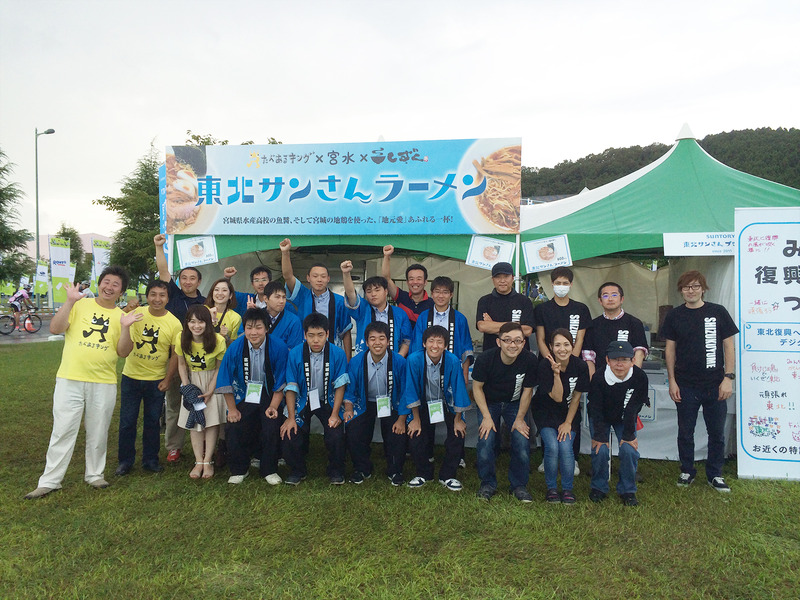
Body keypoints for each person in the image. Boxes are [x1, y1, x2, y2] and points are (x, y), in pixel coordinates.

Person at [25, 267, 132, 499]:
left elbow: (123, 352)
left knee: (98, 430)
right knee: (63, 429)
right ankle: (50, 480)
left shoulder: (121, 316)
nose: (109, 287)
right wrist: (70, 302)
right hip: (70, 378)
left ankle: (94, 474)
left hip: (103, 382)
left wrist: (126, 328)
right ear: (99, 283)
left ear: (121, 291)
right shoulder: (80, 305)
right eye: (106, 281)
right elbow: (55, 328)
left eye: (115, 284)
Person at [662, 270, 738, 493]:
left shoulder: (717, 312)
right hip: (685, 384)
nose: (691, 291)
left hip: (715, 383)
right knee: (685, 431)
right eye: (686, 287)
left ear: (703, 288)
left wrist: (728, 377)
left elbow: (729, 346)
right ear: (681, 291)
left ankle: (715, 474)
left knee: (717, 432)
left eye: (695, 286)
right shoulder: (675, 315)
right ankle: (687, 469)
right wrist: (672, 381)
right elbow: (670, 349)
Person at [115, 280, 182, 476]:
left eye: (162, 295)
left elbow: (175, 354)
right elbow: (123, 340)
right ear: (147, 296)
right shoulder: (136, 315)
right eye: (153, 294)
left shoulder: (174, 323)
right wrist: (127, 310)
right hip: (131, 377)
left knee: (152, 422)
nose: (157, 299)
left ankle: (150, 459)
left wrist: (168, 379)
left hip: (156, 380)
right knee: (127, 421)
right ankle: (125, 461)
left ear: (168, 298)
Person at [215, 307, 288, 485]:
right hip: (243, 392)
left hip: (269, 393)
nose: (253, 332)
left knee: (271, 425)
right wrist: (232, 409)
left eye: (258, 327)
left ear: (267, 328)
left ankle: (269, 469)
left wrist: (273, 406)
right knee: (233, 425)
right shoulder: (235, 348)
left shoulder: (279, 347)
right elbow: (225, 378)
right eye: (249, 327)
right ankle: (240, 468)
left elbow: (281, 380)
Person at [154, 233, 206, 463]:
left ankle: (203, 444)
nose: (187, 281)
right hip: (174, 357)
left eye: (192, 278)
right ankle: (174, 446)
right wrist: (159, 247)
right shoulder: (173, 294)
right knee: (175, 402)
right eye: (184, 277)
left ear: (198, 282)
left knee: (202, 401)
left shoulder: (205, 303)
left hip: (200, 360)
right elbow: (164, 272)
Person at [533, 266, 591, 474]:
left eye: (565, 283)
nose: (561, 286)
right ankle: (546, 455)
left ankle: (572, 457)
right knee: (546, 409)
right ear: (552, 284)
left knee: (572, 410)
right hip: (548, 366)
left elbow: (581, 338)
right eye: (558, 283)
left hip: (572, 366)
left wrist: (570, 361)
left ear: (571, 285)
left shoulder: (581, 309)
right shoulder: (542, 309)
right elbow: (540, 338)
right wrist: (550, 359)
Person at [472, 322, 538, 502]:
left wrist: (520, 419)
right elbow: (477, 388)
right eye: (507, 340)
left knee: (521, 439)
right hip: (489, 403)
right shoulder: (485, 359)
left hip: (514, 403)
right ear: (498, 342)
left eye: (518, 340)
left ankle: (519, 485)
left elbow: (527, 390)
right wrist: (486, 417)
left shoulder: (530, 360)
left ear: (524, 343)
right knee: (486, 440)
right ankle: (487, 483)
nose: (513, 345)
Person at [282, 313, 350, 485]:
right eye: (311, 336)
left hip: (328, 400)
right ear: (304, 335)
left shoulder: (338, 353)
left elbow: (340, 385)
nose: (316, 340)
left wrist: (335, 414)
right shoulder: (295, 354)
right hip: (303, 399)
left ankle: (336, 470)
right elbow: (291, 387)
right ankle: (298, 470)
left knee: (336, 434)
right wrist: (291, 418)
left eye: (320, 335)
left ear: (327, 334)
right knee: (290, 431)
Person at [403, 325, 470, 491]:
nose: (435, 346)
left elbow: (458, 389)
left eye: (440, 342)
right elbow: (410, 389)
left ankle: (448, 475)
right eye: (431, 341)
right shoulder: (413, 360)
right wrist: (415, 419)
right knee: (414, 432)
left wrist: (457, 419)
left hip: (446, 403)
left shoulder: (453, 361)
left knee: (457, 432)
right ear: (424, 343)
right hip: (422, 404)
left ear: (446, 345)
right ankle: (423, 473)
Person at [343, 321, 410, 485]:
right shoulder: (357, 361)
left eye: (382, 338)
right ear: (366, 342)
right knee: (354, 429)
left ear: (388, 341)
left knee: (397, 431)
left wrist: (401, 419)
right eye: (372, 339)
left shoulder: (400, 362)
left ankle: (395, 470)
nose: (377, 343)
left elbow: (406, 391)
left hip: (391, 402)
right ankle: (362, 468)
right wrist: (349, 409)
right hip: (364, 402)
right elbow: (350, 390)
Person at [588, 341, 650, 506]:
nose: (620, 364)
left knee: (629, 450)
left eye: (625, 359)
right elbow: (595, 408)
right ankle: (599, 487)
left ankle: (627, 490)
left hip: (625, 416)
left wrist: (629, 435)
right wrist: (600, 436)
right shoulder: (599, 377)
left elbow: (634, 406)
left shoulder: (640, 377)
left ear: (632, 361)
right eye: (615, 359)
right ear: (607, 360)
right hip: (602, 415)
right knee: (600, 449)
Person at [532, 329, 590, 504]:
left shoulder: (580, 366)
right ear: (550, 347)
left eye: (566, 344)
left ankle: (567, 489)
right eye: (557, 345)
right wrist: (556, 374)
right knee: (552, 447)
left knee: (565, 447)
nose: (562, 349)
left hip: (568, 413)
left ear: (572, 346)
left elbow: (576, 398)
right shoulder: (543, 365)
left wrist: (567, 422)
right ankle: (551, 488)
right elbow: (557, 397)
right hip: (545, 412)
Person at [174, 305, 228, 479]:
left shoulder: (218, 340)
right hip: (192, 381)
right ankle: (198, 461)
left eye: (201, 322)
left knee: (211, 422)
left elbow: (220, 368)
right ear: (187, 323)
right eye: (192, 321)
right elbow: (181, 364)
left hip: (212, 381)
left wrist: (211, 391)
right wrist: (187, 387)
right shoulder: (181, 338)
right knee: (195, 423)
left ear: (208, 323)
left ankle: (208, 461)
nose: (196, 326)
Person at [279, 238, 353, 359]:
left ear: (328, 279)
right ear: (308, 278)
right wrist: (285, 252)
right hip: (306, 352)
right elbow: (288, 276)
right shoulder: (302, 296)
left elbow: (345, 332)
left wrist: (348, 361)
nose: (319, 279)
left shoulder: (339, 301)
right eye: (315, 276)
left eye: (323, 276)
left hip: (332, 354)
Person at [411, 276, 474, 385]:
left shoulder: (460, 319)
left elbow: (466, 347)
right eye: (437, 292)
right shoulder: (423, 317)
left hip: (452, 368)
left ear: (451, 294)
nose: (441, 296)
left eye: (445, 292)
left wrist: (464, 374)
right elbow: (417, 345)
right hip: (426, 369)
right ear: (431, 293)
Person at [341, 260, 411, 357]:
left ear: (386, 291)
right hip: (365, 362)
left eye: (377, 290)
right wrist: (346, 273)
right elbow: (351, 294)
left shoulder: (399, 313)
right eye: (369, 291)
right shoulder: (363, 309)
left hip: (392, 362)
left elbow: (406, 340)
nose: (373, 294)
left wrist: (399, 357)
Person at [582, 282, 648, 378]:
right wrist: (594, 380)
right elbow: (588, 356)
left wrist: (631, 378)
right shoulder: (593, 325)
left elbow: (639, 352)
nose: (610, 299)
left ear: (622, 299)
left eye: (614, 295)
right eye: (605, 296)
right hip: (600, 380)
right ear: (600, 301)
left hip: (627, 379)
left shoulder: (634, 323)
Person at [476, 262, 535, 351]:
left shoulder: (524, 301)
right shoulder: (484, 301)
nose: (502, 281)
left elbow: (527, 331)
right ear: (492, 279)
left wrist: (492, 325)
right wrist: (516, 326)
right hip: (491, 355)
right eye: (498, 277)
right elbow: (482, 326)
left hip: (520, 356)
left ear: (512, 278)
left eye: (506, 276)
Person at [381, 245, 434, 326]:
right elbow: (386, 279)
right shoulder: (402, 297)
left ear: (425, 282)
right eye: (411, 279)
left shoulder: (433, 304)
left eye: (419, 279)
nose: (415, 282)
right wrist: (386, 256)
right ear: (407, 282)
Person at [204, 278, 241, 347]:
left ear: (230, 295)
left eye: (224, 290)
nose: (220, 293)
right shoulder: (203, 310)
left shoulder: (236, 317)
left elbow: (234, 345)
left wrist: (226, 337)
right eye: (216, 290)